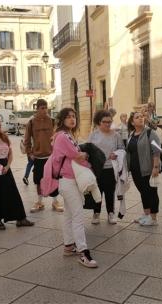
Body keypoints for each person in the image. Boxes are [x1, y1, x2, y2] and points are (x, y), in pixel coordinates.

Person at [51, 107, 98, 268]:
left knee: (70, 215)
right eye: (69, 117)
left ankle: (68, 245)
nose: (72, 119)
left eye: (74, 117)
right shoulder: (63, 136)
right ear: (62, 119)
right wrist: (86, 155)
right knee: (78, 216)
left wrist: (82, 154)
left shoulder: (65, 135)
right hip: (68, 181)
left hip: (67, 180)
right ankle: (83, 252)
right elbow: (77, 157)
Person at [24, 99, 64, 213]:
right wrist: (30, 153)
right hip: (38, 157)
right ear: (37, 109)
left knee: (54, 179)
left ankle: (55, 201)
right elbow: (26, 139)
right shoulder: (31, 123)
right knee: (38, 180)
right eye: (42, 108)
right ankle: (40, 202)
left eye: (46, 108)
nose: (45, 110)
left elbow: (59, 137)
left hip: (51, 156)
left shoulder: (52, 121)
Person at [87, 110, 125, 224]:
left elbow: (122, 148)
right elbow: (88, 149)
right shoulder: (93, 135)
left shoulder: (116, 136)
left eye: (109, 122)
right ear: (99, 122)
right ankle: (96, 213)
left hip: (110, 168)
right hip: (96, 169)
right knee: (96, 191)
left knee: (110, 191)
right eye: (104, 122)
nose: (107, 124)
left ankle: (111, 213)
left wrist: (117, 154)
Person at [127, 112, 161, 225]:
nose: (140, 118)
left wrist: (155, 167)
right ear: (132, 122)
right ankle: (146, 213)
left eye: (141, 117)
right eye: (137, 117)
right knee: (143, 192)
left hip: (148, 168)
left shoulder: (150, 133)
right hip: (136, 169)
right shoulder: (131, 134)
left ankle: (153, 217)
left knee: (151, 192)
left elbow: (156, 150)